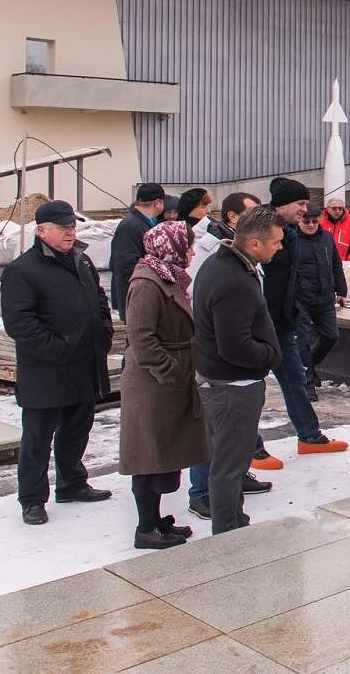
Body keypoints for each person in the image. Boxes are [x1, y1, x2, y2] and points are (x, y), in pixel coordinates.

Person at [0, 200, 116, 525]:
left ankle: (72, 483)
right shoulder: (22, 270)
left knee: (77, 430)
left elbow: (100, 300)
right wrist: (60, 349)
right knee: (38, 438)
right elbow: (19, 323)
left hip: (84, 365)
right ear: (41, 230)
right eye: (64, 227)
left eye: (72, 226)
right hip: (47, 371)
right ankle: (33, 499)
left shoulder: (82, 260)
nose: (70, 232)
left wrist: (103, 334)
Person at [192, 205, 284, 533]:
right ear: (254, 244)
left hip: (228, 383)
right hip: (233, 386)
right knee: (230, 464)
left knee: (230, 459)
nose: (280, 247)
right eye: (276, 242)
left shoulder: (226, 264)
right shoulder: (232, 279)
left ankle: (234, 519)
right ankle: (228, 532)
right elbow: (234, 346)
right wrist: (271, 355)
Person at [119, 221, 211, 549]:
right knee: (150, 455)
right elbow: (141, 336)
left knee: (164, 453)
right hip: (153, 383)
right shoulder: (146, 282)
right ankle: (145, 528)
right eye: (186, 245)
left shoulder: (166, 275)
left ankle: (156, 520)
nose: (191, 251)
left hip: (168, 380)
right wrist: (169, 370)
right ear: (170, 246)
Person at [260, 176, 349, 456]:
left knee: (294, 378)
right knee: (249, 388)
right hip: (259, 323)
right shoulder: (263, 231)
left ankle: (309, 436)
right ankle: (251, 449)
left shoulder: (289, 232)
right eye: (299, 203)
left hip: (284, 319)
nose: (304, 210)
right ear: (283, 204)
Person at [294, 203, 347, 397]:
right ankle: (307, 383)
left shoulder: (326, 237)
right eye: (306, 221)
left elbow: (335, 263)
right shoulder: (293, 239)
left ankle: (309, 366)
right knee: (303, 340)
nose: (310, 224)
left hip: (325, 296)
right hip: (301, 298)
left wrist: (341, 289)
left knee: (331, 335)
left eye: (314, 221)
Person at [111, 182, 166, 322]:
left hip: (143, 295)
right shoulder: (131, 225)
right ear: (157, 202)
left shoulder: (144, 223)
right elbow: (126, 265)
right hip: (136, 297)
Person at [322, 197, 350, 263]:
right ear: (328, 209)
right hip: (323, 263)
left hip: (344, 264)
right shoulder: (320, 223)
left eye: (340, 208)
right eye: (334, 208)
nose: (337, 211)